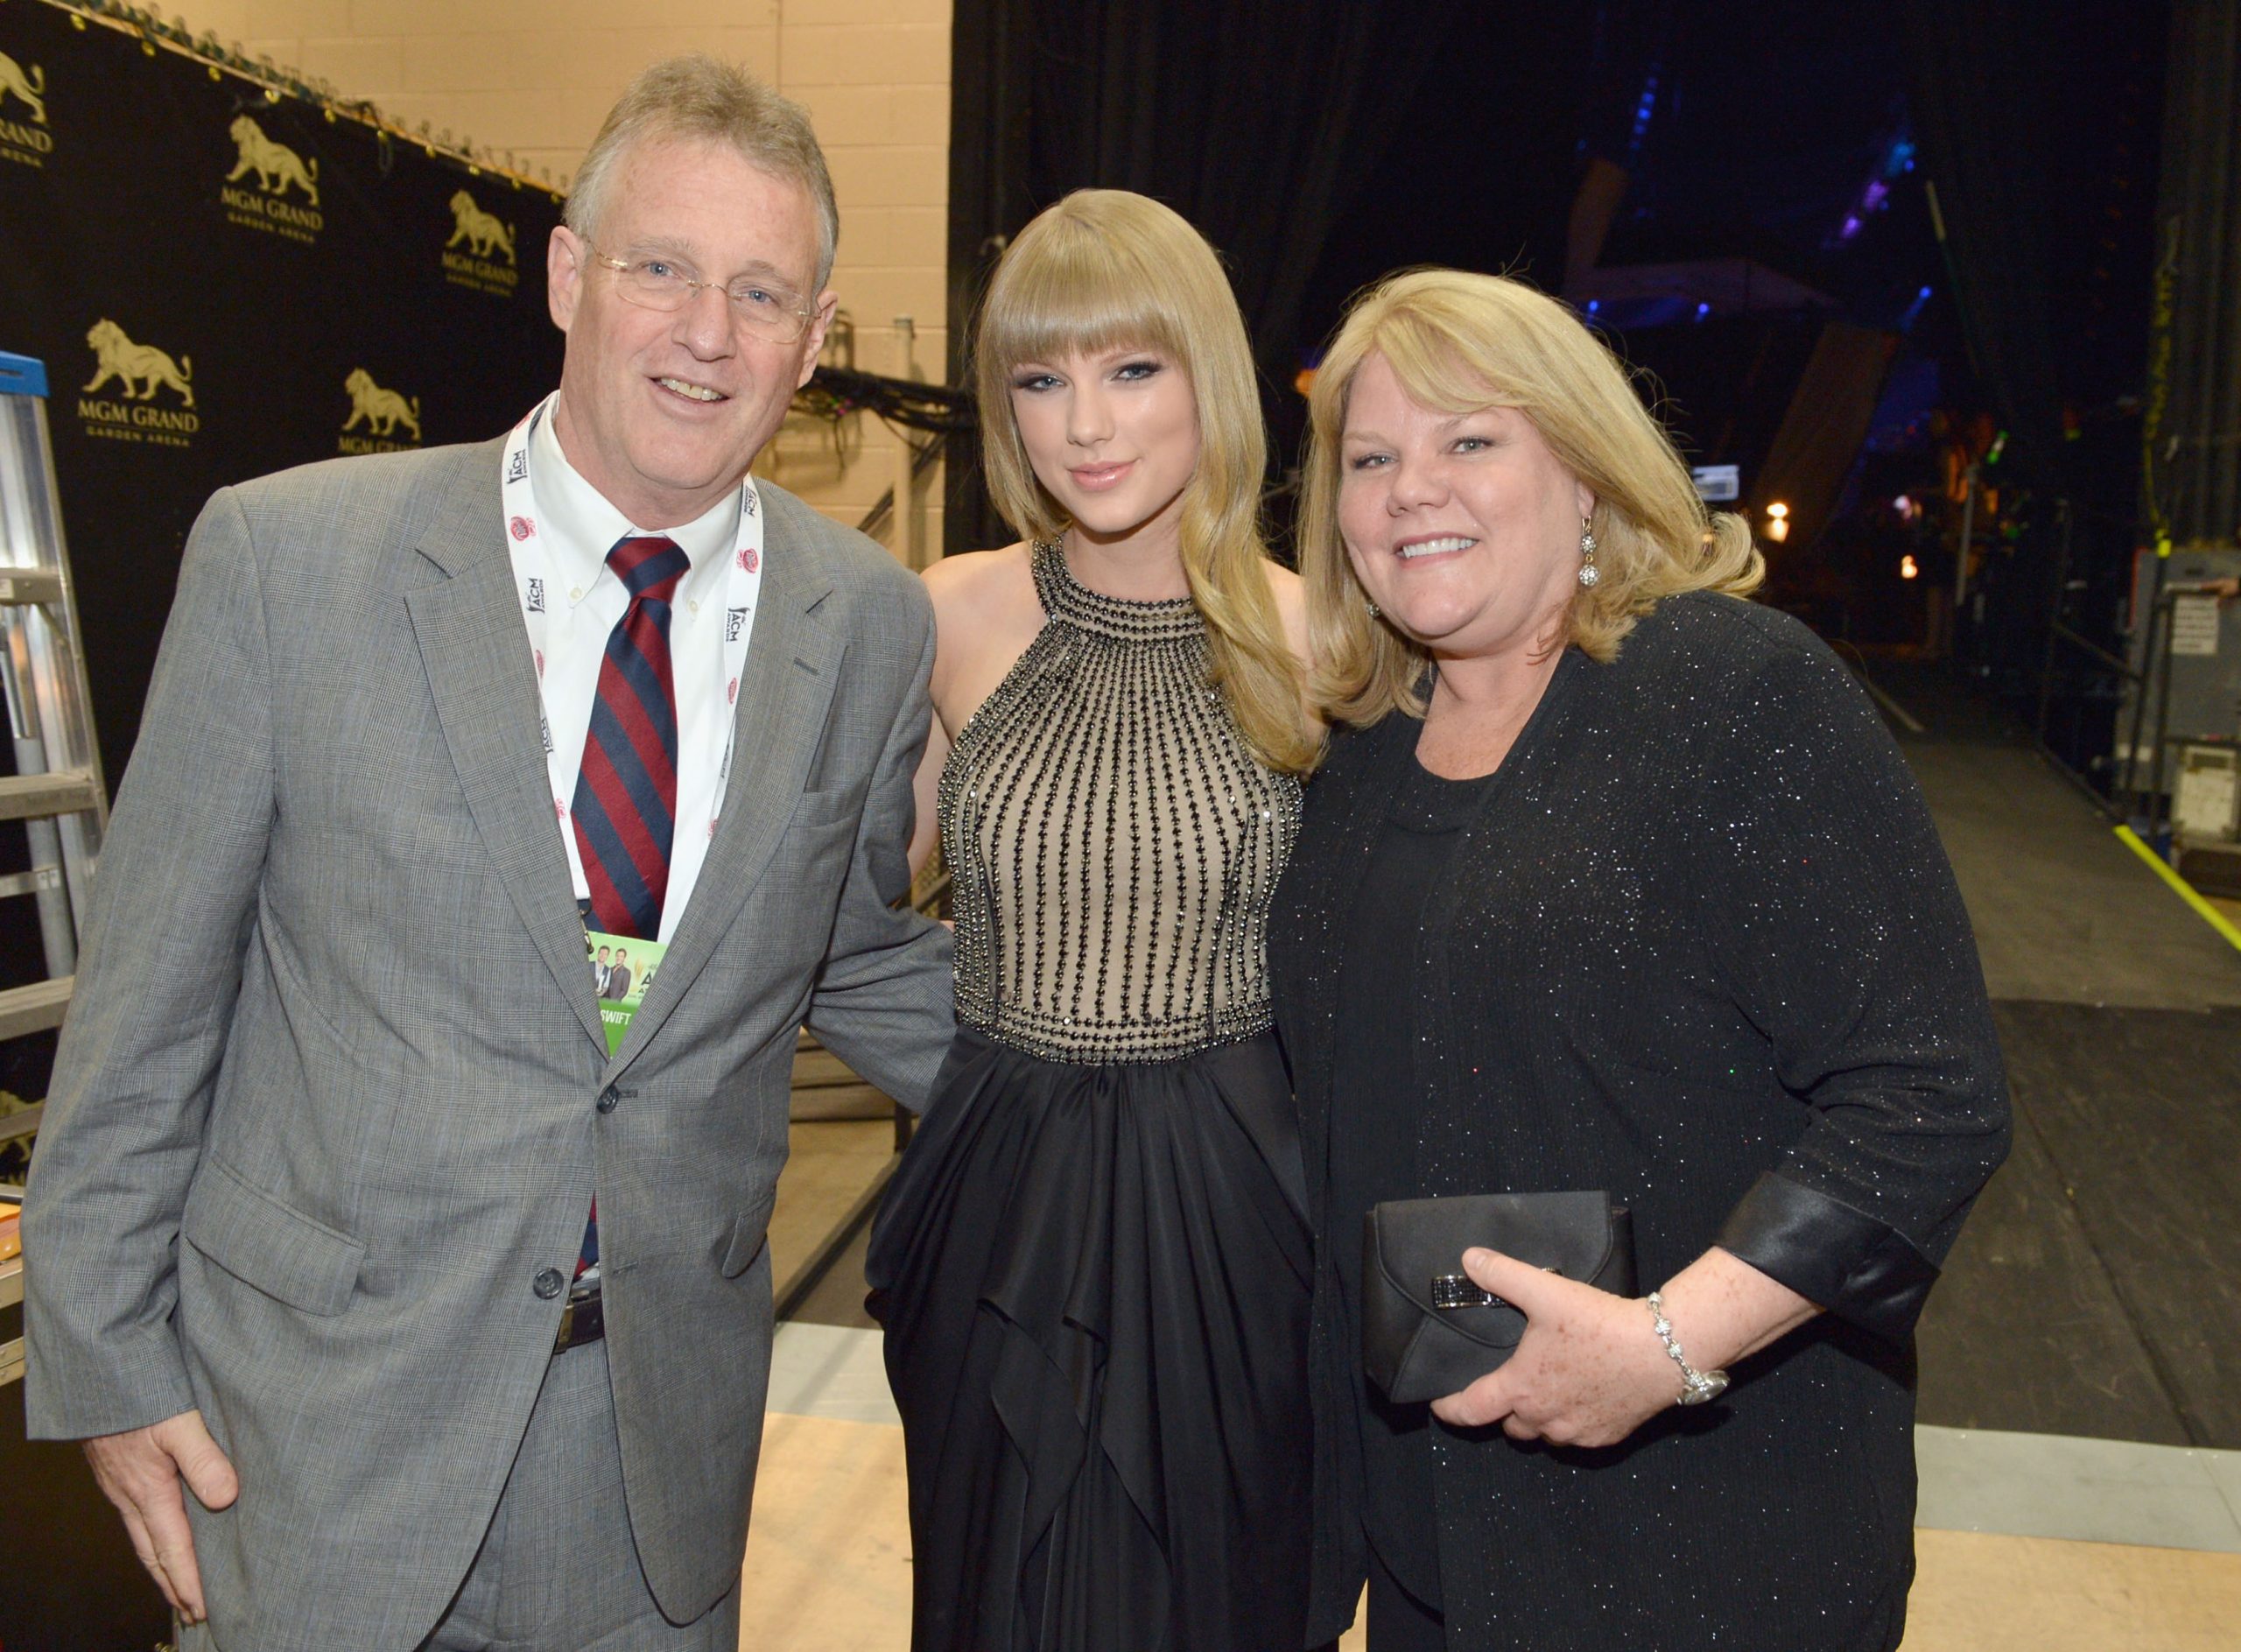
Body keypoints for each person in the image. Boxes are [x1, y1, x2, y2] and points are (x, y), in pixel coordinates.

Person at [21, 55, 953, 1652]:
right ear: (572, 275)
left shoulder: (865, 622)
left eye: (760, 292)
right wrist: (110, 1372)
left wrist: (1153, 1090)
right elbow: (146, 1006)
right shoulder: (288, 561)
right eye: (661, 268)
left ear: (813, 340)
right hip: (312, 1438)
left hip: (652, 1449)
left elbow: (853, 948)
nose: (706, 332)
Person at [1268, 269, 2010, 1652]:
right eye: (1371, 458)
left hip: (1700, 1538)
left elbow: (1928, 1095)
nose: (1409, 490)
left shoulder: (1735, 696)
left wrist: (1665, 1349)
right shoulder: (1361, 756)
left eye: (1469, 442)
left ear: (1586, 473)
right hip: (1428, 1535)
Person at [865, 189, 1320, 1652]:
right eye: (1041, 379)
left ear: (1210, 377)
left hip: (1232, 1216)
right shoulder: (946, 615)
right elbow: (832, 911)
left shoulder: (1324, 641)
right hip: (995, 1202)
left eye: (1132, 369)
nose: (1084, 423)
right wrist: (955, 1069)